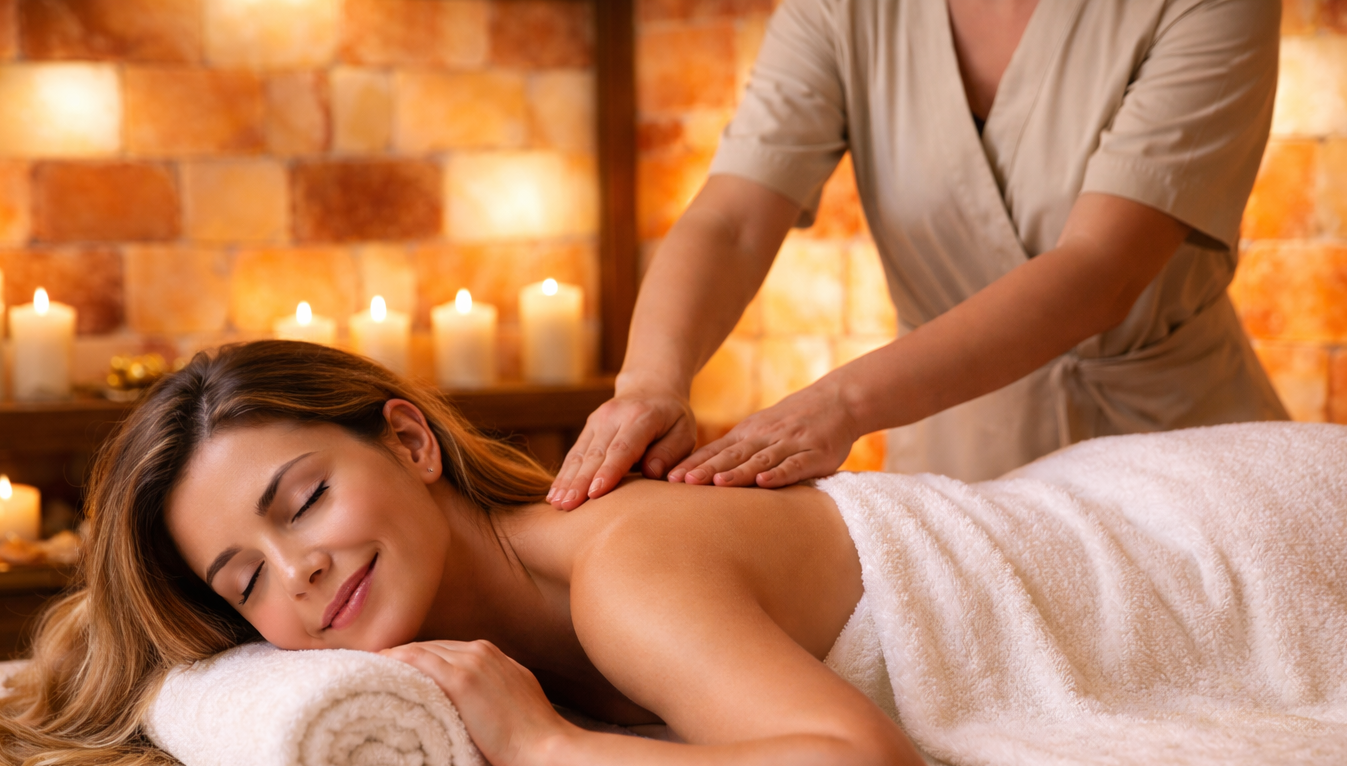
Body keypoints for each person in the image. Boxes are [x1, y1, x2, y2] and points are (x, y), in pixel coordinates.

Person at [0, 344, 1347, 766]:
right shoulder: (527, 595)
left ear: (412, 437)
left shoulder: (625, 565)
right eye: (243, 581)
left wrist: (542, 745)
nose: (295, 578)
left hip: (1242, 543)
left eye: (302, 500)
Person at [547, 0, 1288, 509]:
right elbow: (734, 219)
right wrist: (649, 381)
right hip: (958, 475)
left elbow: (1100, 271)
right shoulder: (843, 10)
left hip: (1184, 458)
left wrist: (838, 405)